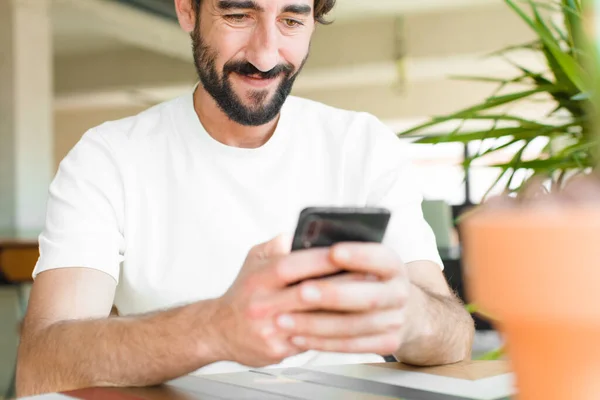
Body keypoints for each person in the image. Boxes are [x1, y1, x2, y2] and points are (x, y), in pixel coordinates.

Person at [15, 0, 474, 396]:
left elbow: (456, 338)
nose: (266, 55)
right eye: (239, 14)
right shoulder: (108, 157)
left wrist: (409, 316)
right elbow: (40, 368)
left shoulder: (363, 145)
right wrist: (217, 329)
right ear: (186, 9)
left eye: (292, 21)